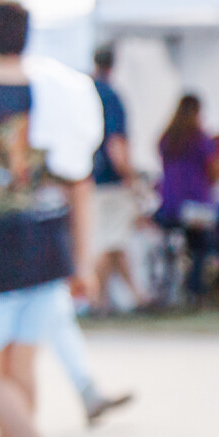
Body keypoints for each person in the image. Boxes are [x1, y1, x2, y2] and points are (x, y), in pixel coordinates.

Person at [0, 1, 95, 437]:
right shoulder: (56, 99)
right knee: (19, 375)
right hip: (48, 255)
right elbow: (80, 183)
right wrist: (82, 260)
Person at [155, 95, 219, 305]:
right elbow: (213, 174)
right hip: (196, 207)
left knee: (199, 241)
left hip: (169, 207)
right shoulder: (200, 140)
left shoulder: (167, 139)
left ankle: (193, 289)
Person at [87, 46, 147, 317]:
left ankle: (134, 296)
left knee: (114, 240)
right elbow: (116, 144)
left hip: (88, 178)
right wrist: (130, 176)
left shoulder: (85, 93)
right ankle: (93, 299)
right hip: (109, 181)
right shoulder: (111, 96)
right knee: (108, 241)